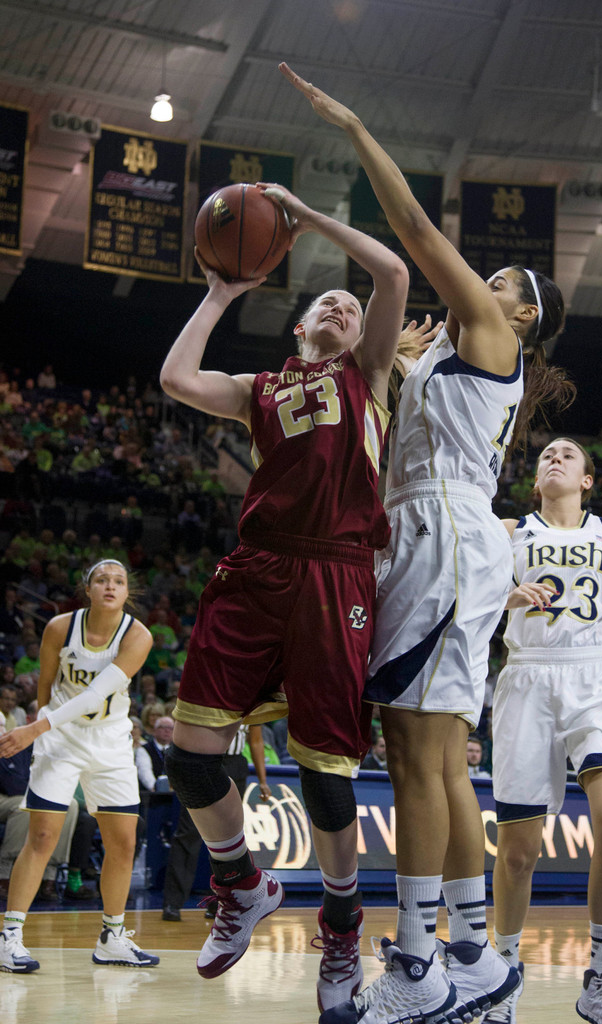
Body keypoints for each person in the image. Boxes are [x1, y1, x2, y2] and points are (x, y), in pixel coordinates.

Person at [281, 63, 575, 1024]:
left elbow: (409, 235)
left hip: (441, 535)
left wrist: (356, 128)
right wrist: (402, 361)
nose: (480, 285)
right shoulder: (452, 350)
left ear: (522, 312)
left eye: (496, 283)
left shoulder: (491, 331)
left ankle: (416, 966)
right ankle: (468, 957)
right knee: (440, 761)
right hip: (443, 535)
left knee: (415, 755)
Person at [159, 182, 409, 1006]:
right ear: (299, 327)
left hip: (336, 573)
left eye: (347, 303)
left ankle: (341, 931)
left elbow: (392, 274)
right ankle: (242, 882)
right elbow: (175, 377)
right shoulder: (259, 388)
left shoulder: (369, 377)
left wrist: (302, 217)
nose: (341, 305)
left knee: (327, 776)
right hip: (256, 570)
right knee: (190, 758)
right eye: (323, 303)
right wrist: (219, 291)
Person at [486, 437, 602, 1024]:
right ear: (536, 480)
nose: (554, 458)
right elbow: (465, 607)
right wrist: (501, 596)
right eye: (545, 456)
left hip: (596, 679)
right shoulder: (507, 531)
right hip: (527, 681)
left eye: (568, 455)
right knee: (517, 855)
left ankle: (601, 978)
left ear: (587, 479)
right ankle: (502, 979)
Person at [0, 559, 160, 973]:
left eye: (119, 581)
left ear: (128, 592)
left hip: (109, 741)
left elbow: (96, 694)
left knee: (123, 841)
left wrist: (34, 729)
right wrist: (43, 728)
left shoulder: (138, 635)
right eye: (102, 580)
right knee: (42, 836)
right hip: (61, 740)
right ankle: (10, 936)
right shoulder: (59, 628)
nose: (110, 586)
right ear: (87, 589)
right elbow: (45, 688)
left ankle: (112, 937)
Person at [161, 724, 271, 922]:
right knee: (189, 833)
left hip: (235, 765)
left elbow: (255, 740)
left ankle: (222, 902)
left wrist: (263, 780)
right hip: (200, 760)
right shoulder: (203, 695)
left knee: (228, 837)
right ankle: (172, 902)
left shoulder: (252, 700)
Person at [0, 703, 79, 902]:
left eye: (2, 727)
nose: (2, 732)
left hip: (21, 793)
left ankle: (49, 875)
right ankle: (4, 874)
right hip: (6, 797)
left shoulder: (22, 745)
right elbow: (12, 785)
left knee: (69, 805)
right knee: (23, 806)